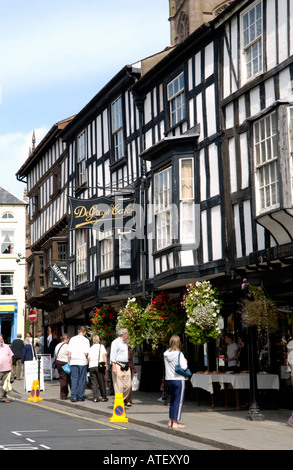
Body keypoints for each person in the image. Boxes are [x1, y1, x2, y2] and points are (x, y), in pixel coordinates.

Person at [164, 335, 188, 429]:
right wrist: (185, 361)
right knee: (179, 401)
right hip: (179, 379)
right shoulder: (179, 354)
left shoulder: (165, 354)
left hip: (169, 379)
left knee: (172, 400)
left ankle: (170, 420)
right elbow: (184, 367)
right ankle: (175, 422)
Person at [67, 326, 90, 402]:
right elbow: (87, 353)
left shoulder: (72, 339)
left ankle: (73, 396)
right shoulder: (86, 340)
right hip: (82, 362)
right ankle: (80, 396)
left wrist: (68, 361)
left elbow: (69, 352)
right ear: (85, 332)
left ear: (78, 331)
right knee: (81, 380)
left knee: (74, 379)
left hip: (73, 361)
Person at [110, 328, 131, 404]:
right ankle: (119, 402)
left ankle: (121, 399)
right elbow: (112, 355)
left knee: (128, 385)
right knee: (119, 386)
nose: (128, 335)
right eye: (127, 334)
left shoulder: (125, 343)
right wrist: (114, 367)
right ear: (124, 334)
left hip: (126, 365)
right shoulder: (115, 342)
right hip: (118, 365)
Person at [88, 335, 108, 402]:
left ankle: (95, 398)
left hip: (91, 366)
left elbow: (88, 358)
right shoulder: (101, 346)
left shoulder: (90, 348)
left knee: (94, 383)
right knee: (101, 381)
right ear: (98, 340)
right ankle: (103, 397)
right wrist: (106, 365)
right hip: (99, 366)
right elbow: (104, 356)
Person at [54, 335, 70, 400]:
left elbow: (55, 354)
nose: (69, 340)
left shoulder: (57, 345)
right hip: (65, 363)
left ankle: (64, 394)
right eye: (68, 339)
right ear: (65, 339)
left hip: (58, 362)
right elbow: (69, 355)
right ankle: (64, 394)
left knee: (62, 378)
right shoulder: (67, 346)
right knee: (68, 379)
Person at [124, 339, 138, 407]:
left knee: (129, 385)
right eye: (128, 343)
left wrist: (135, 371)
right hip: (121, 368)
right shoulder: (122, 350)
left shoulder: (129, 350)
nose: (128, 345)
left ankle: (128, 400)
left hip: (128, 368)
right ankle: (123, 399)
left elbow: (131, 361)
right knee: (122, 385)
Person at [0, 334, 13, 403]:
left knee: (5, 384)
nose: (0, 341)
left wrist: (11, 367)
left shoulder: (7, 347)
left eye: (1, 339)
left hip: (6, 368)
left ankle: (3, 397)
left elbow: (10, 356)